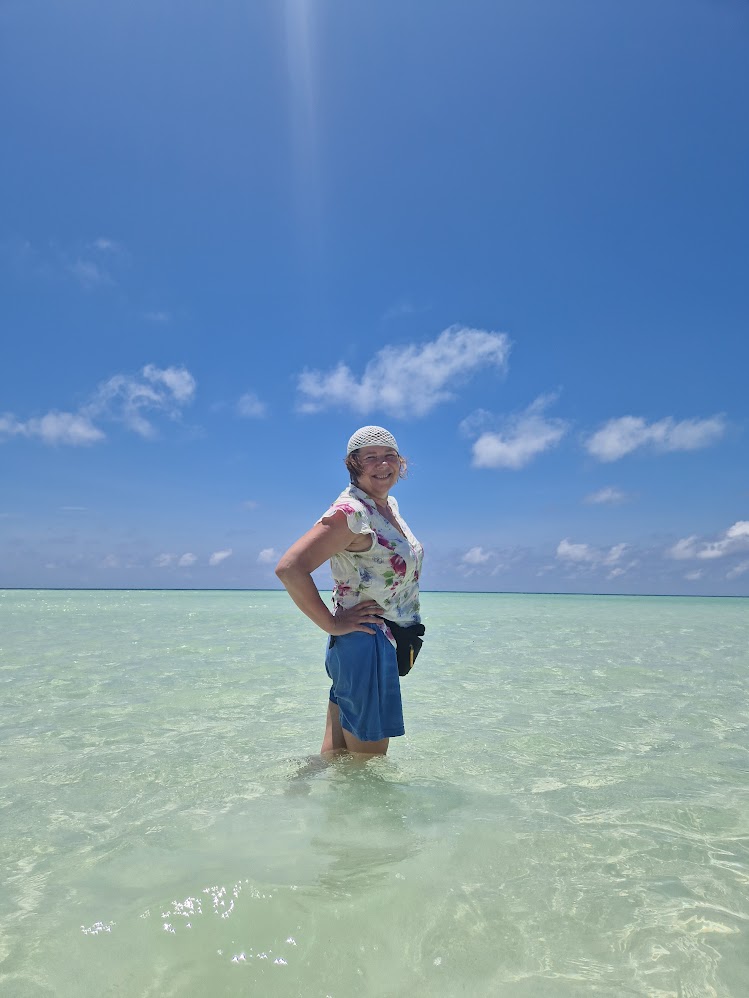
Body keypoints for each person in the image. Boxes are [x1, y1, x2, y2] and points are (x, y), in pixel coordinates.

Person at [275, 425, 424, 757]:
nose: (382, 464)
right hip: (367, 644)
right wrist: (331, 624)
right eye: (370, 457)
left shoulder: (386, 505)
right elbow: (290, 568)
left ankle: (303, 790)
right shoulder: (352, 513)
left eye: (389, 456)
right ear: (353, 464)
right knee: (367, 766)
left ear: (400, 462)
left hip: (367, 644)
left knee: (338, 756)